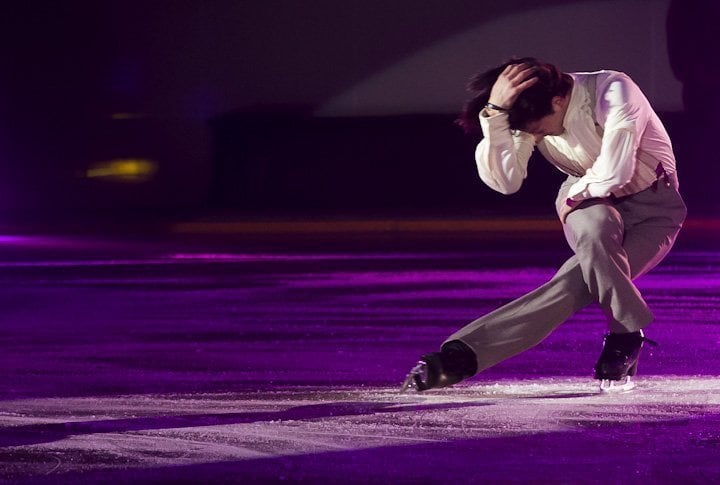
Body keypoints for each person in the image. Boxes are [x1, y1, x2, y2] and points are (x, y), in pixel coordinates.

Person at [401, 57, 687, 393]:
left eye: (535, 127)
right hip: (588, 199)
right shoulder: (535, 114)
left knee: (572, 286)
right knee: (595, 231)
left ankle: (463, 355)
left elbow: (615, 171)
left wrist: (572, 197)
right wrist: (495, 114)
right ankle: (626, 332)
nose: (532, 134)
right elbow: (505, 181)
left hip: (654, 207)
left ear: (558, 100)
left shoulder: (613, 90)